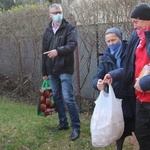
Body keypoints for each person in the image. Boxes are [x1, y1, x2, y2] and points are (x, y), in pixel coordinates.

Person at [103, 3, 150, 150]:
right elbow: (131, 68)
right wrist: (113, 75)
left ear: (147, 19)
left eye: (136, 22)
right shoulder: (137, 38)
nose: (134, 26)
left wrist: (145, 83)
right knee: (143, 136)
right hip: (141, 99)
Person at [42, 3, 80, 141]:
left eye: (60, 11)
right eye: (55, 12)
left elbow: (72, 45)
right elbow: (43, 52)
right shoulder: (47, 31)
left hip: (65, 69)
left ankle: (76, 127)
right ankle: (63, 123)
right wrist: (44, 71)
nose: (58, 14)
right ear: (50, 15)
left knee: (68, 98)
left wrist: (57, 51)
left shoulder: (69, 28)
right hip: (51, 70)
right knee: (57, 97)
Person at [93, 27, 136, 150]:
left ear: (120, 38)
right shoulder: (106, 57)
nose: (111, 43)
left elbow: (131, 70)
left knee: (140, 129)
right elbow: (97, 76)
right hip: (117, 100)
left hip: (133, 97)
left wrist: (113, 75)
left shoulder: (131, 52)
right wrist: (98, 83)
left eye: (114, 40)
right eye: (109, 41)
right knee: (119, 130)